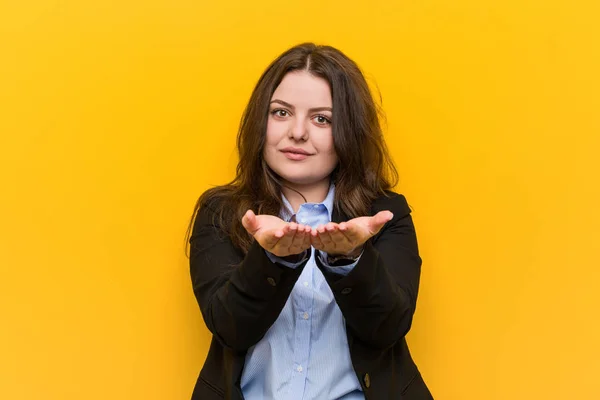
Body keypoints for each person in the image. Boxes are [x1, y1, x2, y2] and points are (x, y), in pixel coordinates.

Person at [186, 42, 433, 400]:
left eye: (322, 118)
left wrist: (350, 261)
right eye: (281, 113)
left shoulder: (384, 215)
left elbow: (388, 328)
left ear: (349, 130)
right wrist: (273, 259)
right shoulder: (222, 213)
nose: (298, 132)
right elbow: (230, 328)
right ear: (261, 121)